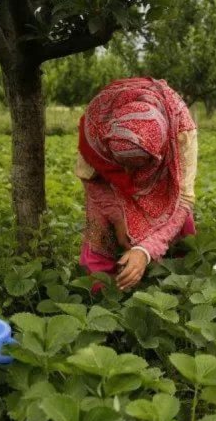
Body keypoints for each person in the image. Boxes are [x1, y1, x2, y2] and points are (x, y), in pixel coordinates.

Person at [76, 78, 198, 291]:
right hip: (108, 181)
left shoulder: (181, 131)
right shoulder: (94, 128)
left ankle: (179, 287)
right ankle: (98, 295)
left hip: (160, 182)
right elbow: (91, 181)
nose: (132, 175)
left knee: (182, 231)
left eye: (139, 165)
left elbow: (184, 199)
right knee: (98, 238)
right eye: (127, 165)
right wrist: (117, 218)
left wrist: (145, 250)